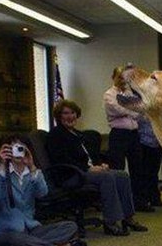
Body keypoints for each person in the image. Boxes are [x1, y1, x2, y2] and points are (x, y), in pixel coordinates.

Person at [47, 99, 148, 236]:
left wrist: (100, 164)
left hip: (85, 171)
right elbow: (61, 159)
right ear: (59, 116)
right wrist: (87, 169)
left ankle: (128, 218)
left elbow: (90, 156)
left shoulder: (78, 134)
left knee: (121, 175)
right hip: (70, 175)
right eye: (65, 113)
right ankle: (110, 222)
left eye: (73, 113)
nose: (70, 116)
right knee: (107, 177)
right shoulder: (55, 135)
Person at [0, 136, 87, 246]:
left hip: (30, 230)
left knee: (71, 226)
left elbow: (43, 194)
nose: (17, 151)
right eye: (13, 148)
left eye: (20, 148)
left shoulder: (31, 173)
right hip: (5, 232)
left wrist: (32, 167)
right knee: (15, 240)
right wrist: (2, 165)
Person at [103, 66, 151, 212]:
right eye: (119, 77)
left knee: (138, 169)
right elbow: (117, 109)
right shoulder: (108, 94)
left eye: (125, 77)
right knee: (118, 169)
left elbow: (140, 110)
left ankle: (139, 203)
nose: (122, 80)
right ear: (113, 78)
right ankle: (119, 205)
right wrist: (131, 110)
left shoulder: (130, 92)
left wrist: (131, 110)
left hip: (133, 135)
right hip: (118, 134)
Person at [137, 117, 162, 209]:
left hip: (157, 142)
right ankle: (144, 199)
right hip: (143, 142)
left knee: (153, 172)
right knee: (144, 172)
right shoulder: (140, 109)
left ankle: (155, 198)